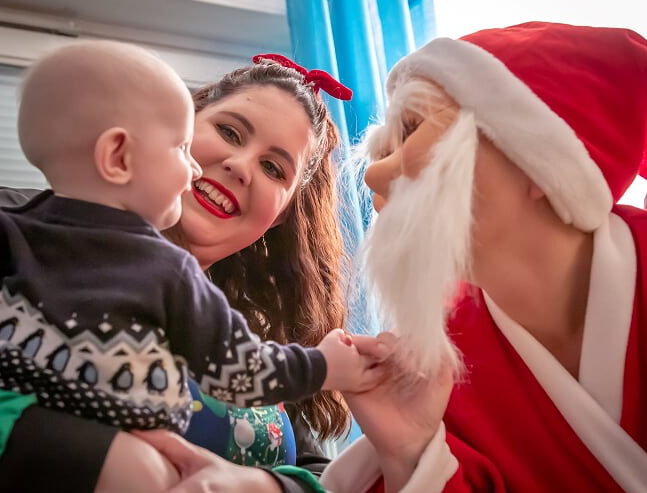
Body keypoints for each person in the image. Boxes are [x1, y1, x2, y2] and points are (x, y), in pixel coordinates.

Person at [314, 21, 647, 493]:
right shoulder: (437, 373)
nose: (374, 177)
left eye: (412, 131)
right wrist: (410, 452)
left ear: (537, 161)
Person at [0, 42, 384, 493]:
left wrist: (254, 485)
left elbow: (320, 477)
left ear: (280, 215)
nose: (240, 166)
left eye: (273, 168)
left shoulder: (263, 338)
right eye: (229, 132)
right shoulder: (18, 226)